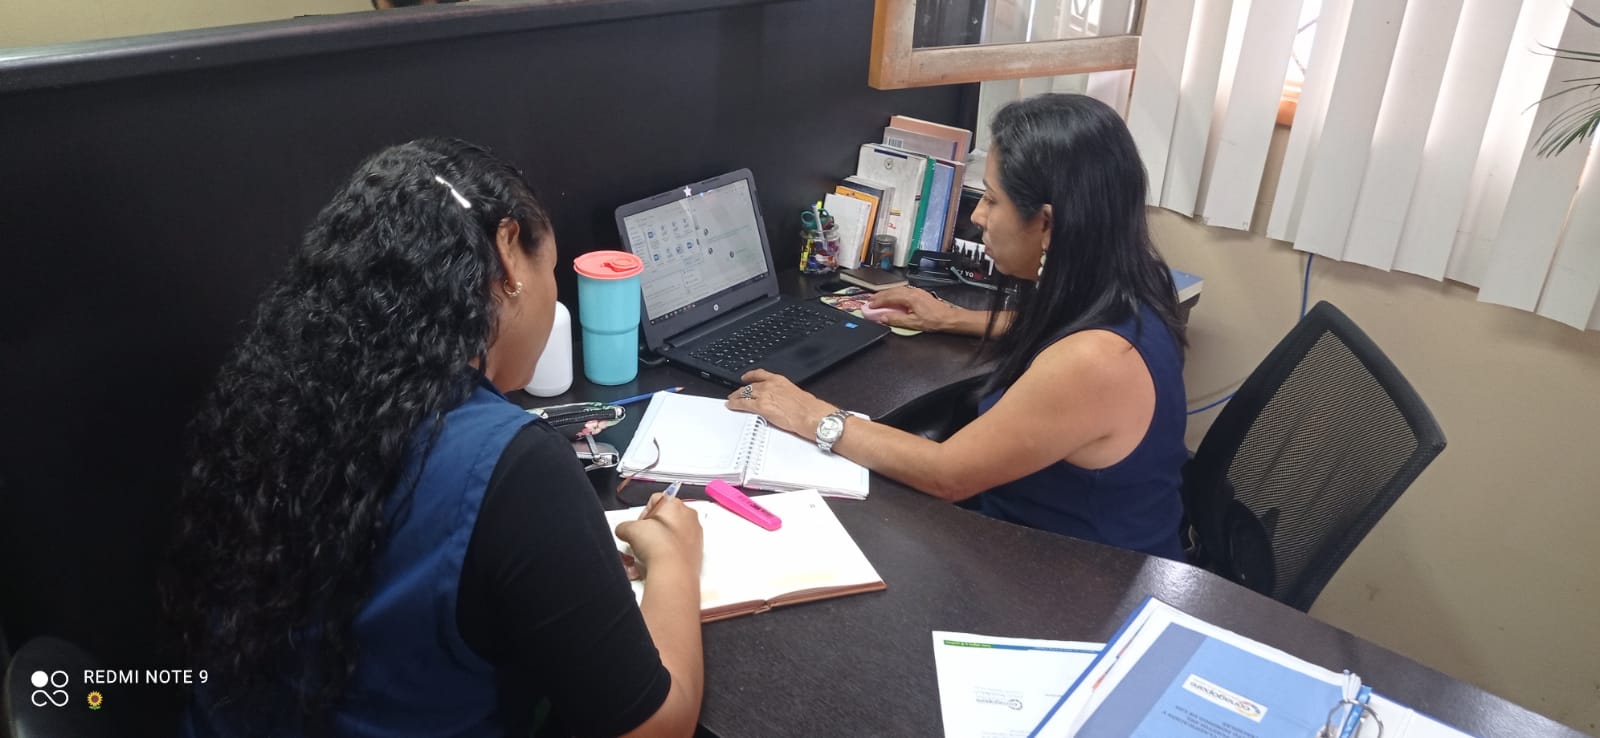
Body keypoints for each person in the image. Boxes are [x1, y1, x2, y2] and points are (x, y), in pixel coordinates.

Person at [165, 138, 704, 737]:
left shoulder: (278, 405)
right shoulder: (512, 469)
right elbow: (654, 729)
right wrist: (674, 561)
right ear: (508, 256)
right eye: (550, 270)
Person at [729, 94, 1188, 560]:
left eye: (991, 199)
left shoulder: (1093, 362)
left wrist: (812, 415)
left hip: (1084, 581)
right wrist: (952, 317)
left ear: (1047, 223)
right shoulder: (1132, 289)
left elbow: (947, 474)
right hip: (1057, 549)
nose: (977, 216)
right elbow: (1058, 326)